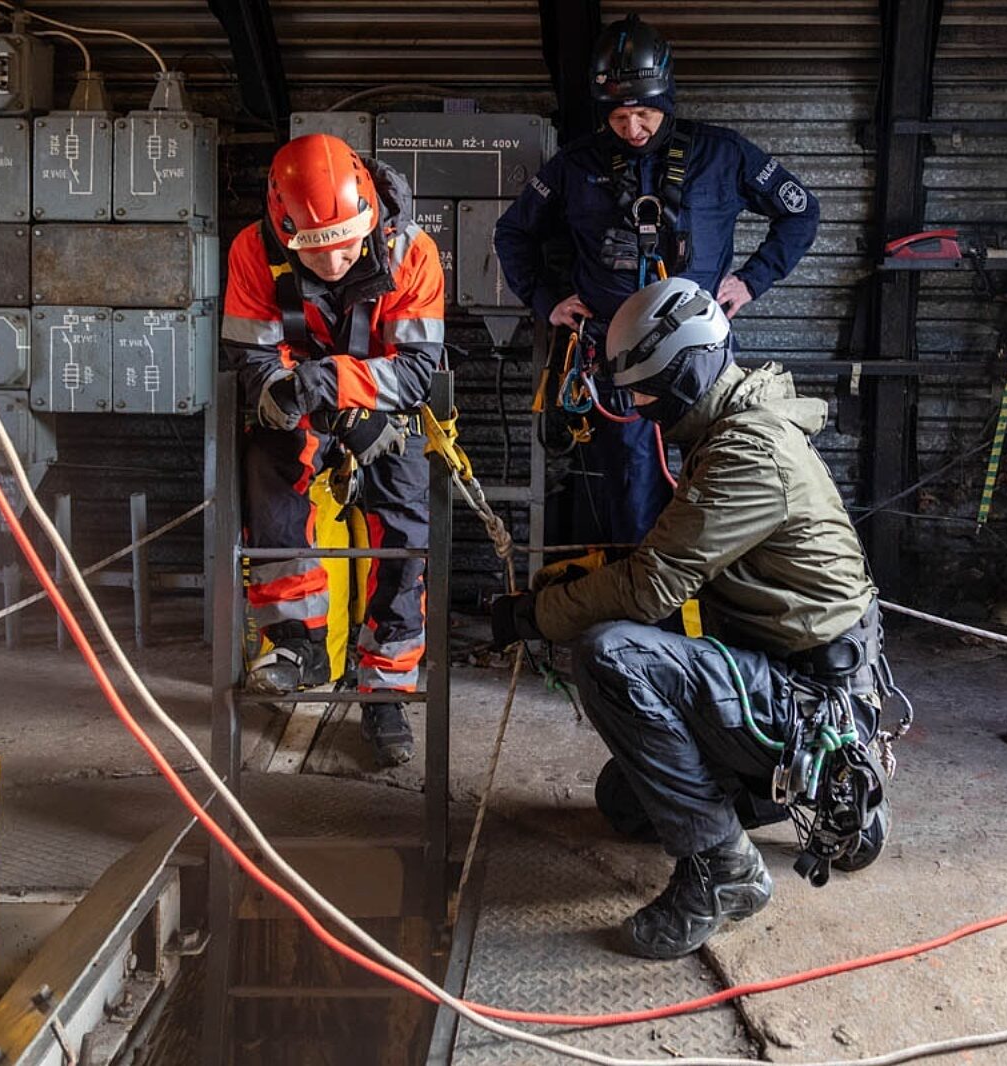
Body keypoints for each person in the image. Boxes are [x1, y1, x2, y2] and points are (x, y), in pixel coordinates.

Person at [491, 277, 898, 960]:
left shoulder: (747, 452)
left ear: (683, 378)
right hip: (796, 671)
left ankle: (724, 869)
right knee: (625, 803)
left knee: (609, 655)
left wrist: (535, 615)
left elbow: (652, 586)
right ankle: (834, 796)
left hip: (809, 698)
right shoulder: (731, 424)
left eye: (645, 393)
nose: (638, 409)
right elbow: (679, 559)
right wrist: (589, 578)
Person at [494, 13, 820, 543]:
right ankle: (640, 588)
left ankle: (708, 586)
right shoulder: (575, 165)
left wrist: (752, 280)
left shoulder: (723, 154)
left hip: (703, 359)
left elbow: (800, 210)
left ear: (665, 99)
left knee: (720, 478)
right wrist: (547, 299)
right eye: (619, 117)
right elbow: (513, 233)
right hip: (615, 361)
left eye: (644, 113)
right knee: (632, 491)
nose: (633, 130)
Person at [222, 133, 447, 767]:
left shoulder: (412, 252)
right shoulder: (252, 251)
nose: (337, 261)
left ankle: (385, 689)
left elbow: (416, 370)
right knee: (270, 475)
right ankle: (298, 645)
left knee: (404, 526)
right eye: (317, 250)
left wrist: (338, 392)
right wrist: (308, 398)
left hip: (384, 406)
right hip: (301, 403)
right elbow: (254, 360)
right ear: (283, 229)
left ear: (370, 212)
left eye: (348, 243)